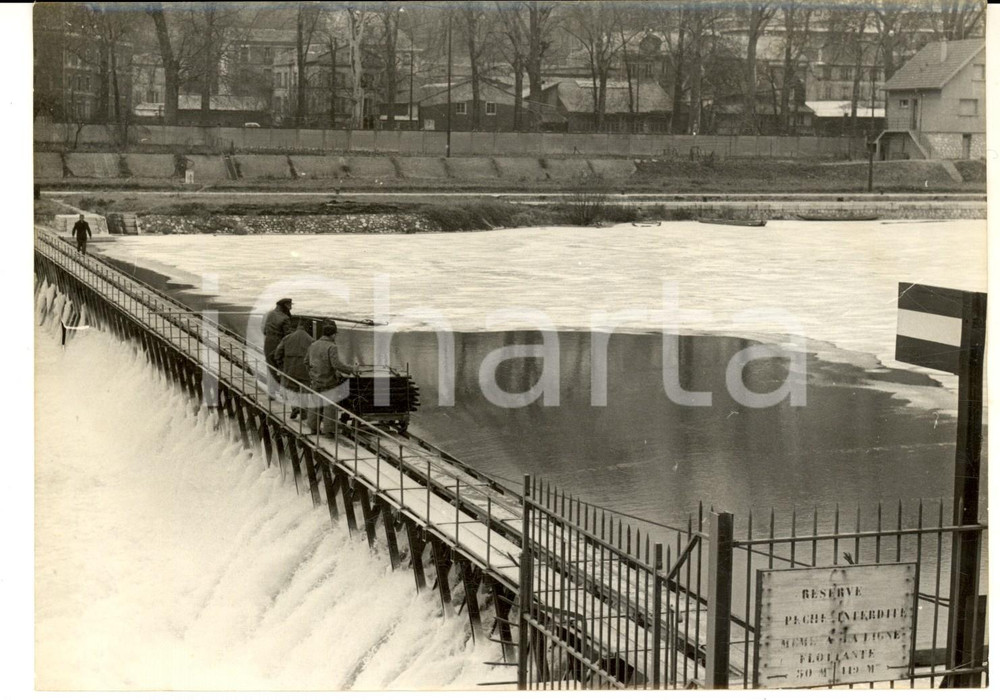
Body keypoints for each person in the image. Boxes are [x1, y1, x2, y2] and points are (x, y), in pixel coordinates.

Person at [305, 322, 358, 435]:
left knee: (315, 405)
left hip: (315, 381)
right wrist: (352, 369)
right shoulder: (332, 346)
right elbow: (336, 365)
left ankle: (314, 428)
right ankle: (329, 431)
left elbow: (306, 361)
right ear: (333, 335)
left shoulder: (313, 345)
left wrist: (312, 374)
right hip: (328, 382)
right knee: (329, 406)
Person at [273, 319, 314, 419]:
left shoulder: (287, 338)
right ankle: (303, 412)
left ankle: (295, 407)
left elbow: (277, 353)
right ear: (307, 328)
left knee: (292, 390)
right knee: (304, 391)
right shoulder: (311, 340)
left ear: (297, 326)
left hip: (290, 369)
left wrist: (281, 364)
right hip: (304, 371)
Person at [261, 298, 293, 390]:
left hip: (268, 342)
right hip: (278, 342)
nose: (290, 309)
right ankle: (282, 390)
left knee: (270, 367)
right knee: (282, 366)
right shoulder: (285, 318)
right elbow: (288, 335)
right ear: (285, 306)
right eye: (289, 307)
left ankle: (271, 391)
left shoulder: (269, 314)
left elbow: (263, 330)